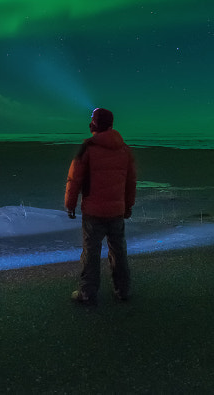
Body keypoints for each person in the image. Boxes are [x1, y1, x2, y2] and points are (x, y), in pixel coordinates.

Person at [64, 107, 137, 305]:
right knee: (119, 251)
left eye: (92, 119)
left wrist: (69, 204)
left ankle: (87, 292)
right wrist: (128, 206)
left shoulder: (87, 148)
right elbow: (130, 182)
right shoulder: (124, 150)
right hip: (116, 211)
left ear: (95, 124)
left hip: (93, 212)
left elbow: (74, 179)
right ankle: (123, 290)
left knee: (91, 252)